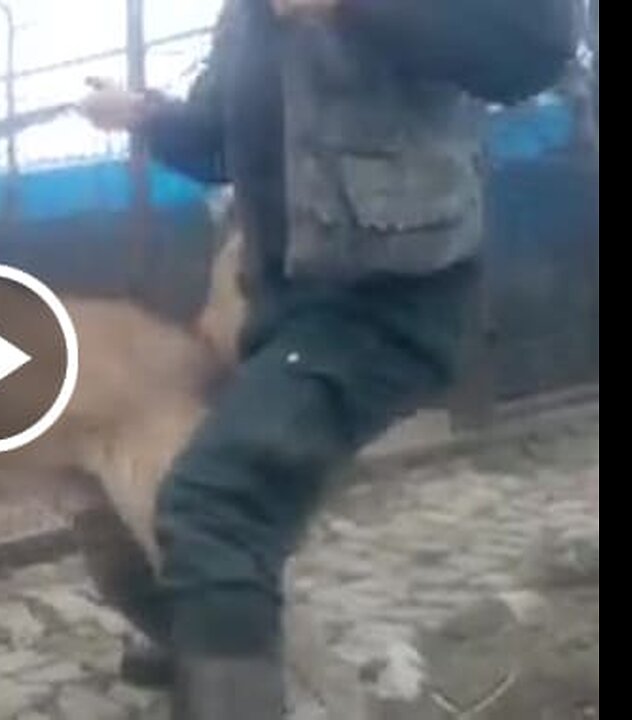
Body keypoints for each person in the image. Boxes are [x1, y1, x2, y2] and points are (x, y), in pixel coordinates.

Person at [76, 0, 576, 717]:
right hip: (281, 311)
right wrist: (144, 115)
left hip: (393, 301)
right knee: (150, 507)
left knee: (212, 502)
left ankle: (229, 665)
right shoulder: (247, 14)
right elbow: (218, 139)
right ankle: (204, 639)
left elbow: (535, 47)